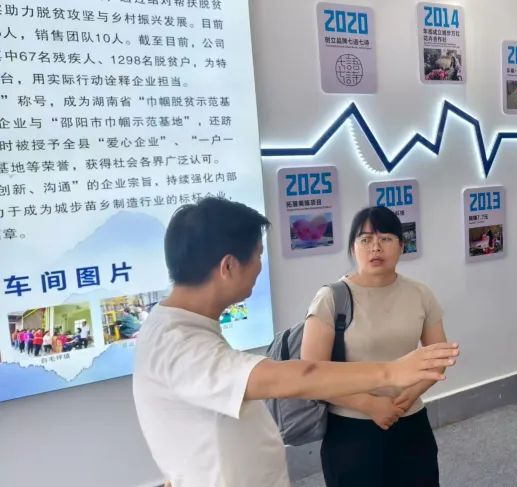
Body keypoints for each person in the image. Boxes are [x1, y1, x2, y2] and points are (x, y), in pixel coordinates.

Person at [133, 197, 460, 487]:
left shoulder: (184, 329)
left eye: (386, 239)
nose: (260, 268)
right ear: (228, 266)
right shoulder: (178, 344)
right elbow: (296, 375)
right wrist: (389, 373)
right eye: (258, 256)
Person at [301, 206, 449, 487]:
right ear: (353, 248)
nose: (375, 247)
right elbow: (309, 375)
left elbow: (438, 357)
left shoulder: (420, 293)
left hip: (410, 420)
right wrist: (370, 405)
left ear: (402, 246)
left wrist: (407, 398)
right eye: (365, 239)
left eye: (386, 239)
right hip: (351, 429)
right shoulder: (331, 298)